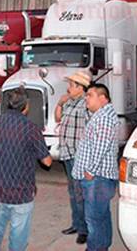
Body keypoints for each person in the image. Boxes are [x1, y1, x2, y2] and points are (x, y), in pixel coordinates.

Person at [0, 89, 52, 251]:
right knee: (18, 237)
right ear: (26, 106)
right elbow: (48, 162)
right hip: (21, 194)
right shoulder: (31, 129)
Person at [72, 84, 120, 251]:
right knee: (101, 216)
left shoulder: (104, 118)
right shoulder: (99, 115)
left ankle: (96, 248)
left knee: (93, 219)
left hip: (97, 178)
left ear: (102, 98)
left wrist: (90, 171)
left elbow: (101, 145)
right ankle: (102, 246)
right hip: (97, 178)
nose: (86, 98)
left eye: (90, 95)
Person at [55, 70, 91, 244]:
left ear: (80, 87)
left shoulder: (86, 104)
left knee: (80, 193)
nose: (68, 88)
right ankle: (76, 224)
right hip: (68, 153)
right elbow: (58, 118)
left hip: (79, 155)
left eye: (71, 85)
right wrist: (60, 104)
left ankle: (84, 229)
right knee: (72, 191)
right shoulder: (69, 102)